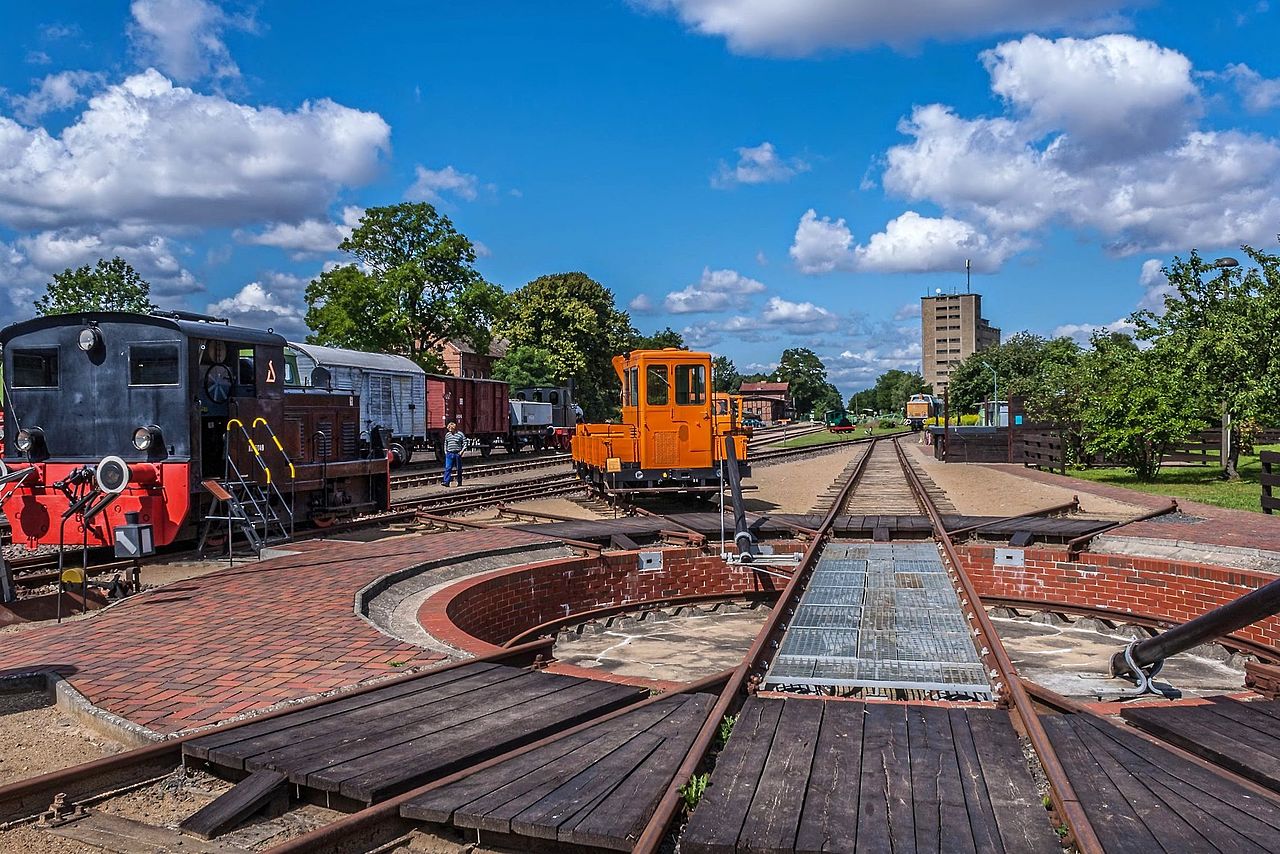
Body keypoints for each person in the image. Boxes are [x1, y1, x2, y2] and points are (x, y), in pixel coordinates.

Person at [442, 421, 465, 486]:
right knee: (448, 468)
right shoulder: (447, 435)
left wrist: (461, 451)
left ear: (454, 428)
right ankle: (446, 482)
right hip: (449, 453)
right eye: (449, 429)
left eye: (450, 429)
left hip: (457, 453)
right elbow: (445, 443)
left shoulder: (460, 434)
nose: (449, 430)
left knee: (459, 469)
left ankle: (459, 482)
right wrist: (445, 451)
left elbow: (465, 443)